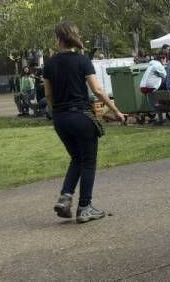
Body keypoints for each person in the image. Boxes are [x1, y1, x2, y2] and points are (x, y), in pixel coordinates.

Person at [43, 22, 125, 223]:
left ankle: (65, 196)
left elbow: (48, 94)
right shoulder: (82, 60)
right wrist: (116, 111)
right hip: (80, 116)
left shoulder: (50, 64)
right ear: (73, 37)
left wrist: (58, 111)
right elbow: (97, 90)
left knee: (76, 159)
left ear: (58, 39)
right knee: (88, 162)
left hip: (60, 119)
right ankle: (85, 207)